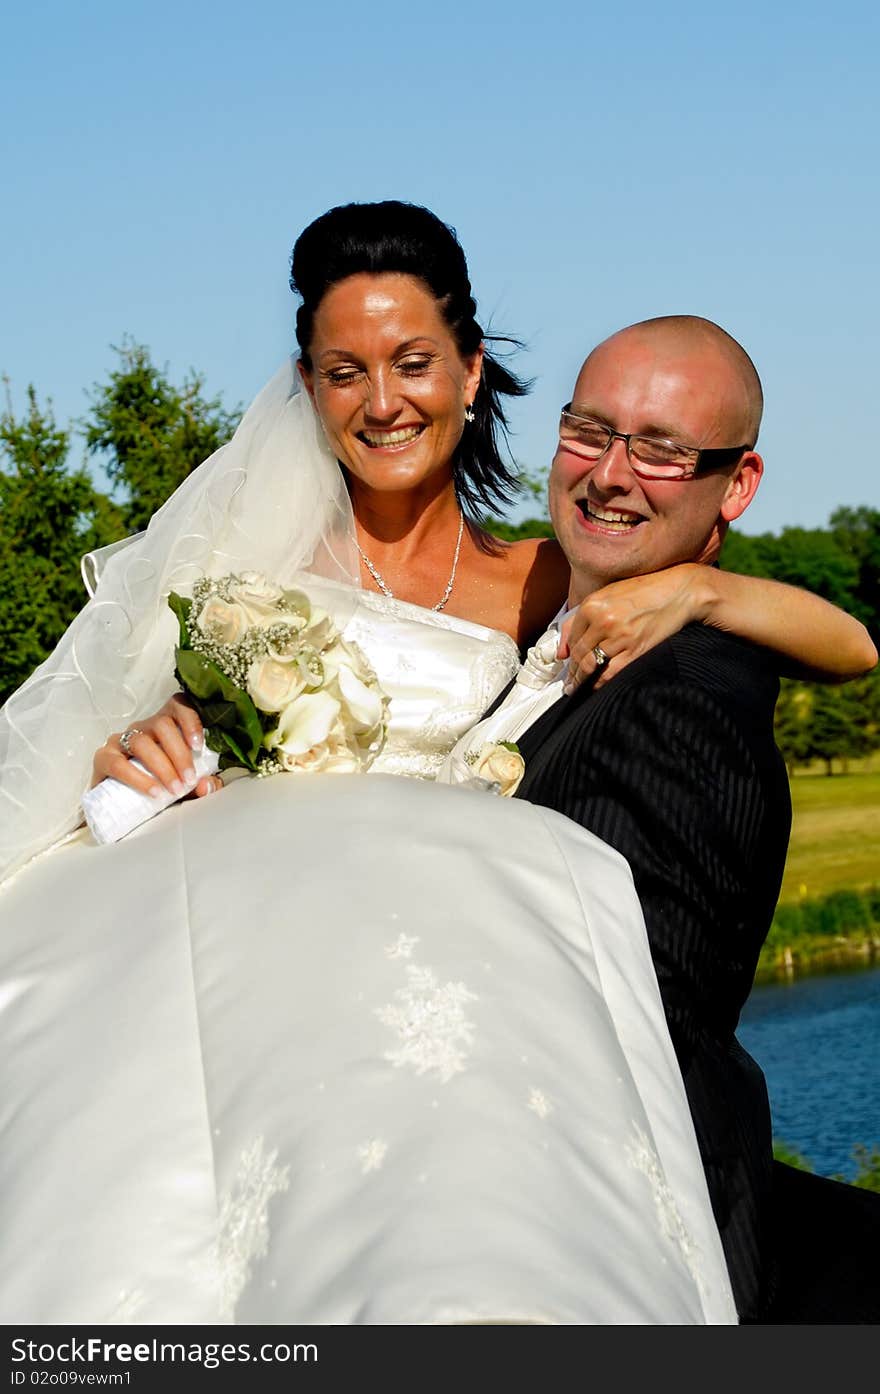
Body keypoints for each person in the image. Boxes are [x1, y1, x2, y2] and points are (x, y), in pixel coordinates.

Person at [0, 205, 874, 1326]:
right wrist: (133, 753)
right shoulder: (239, 573)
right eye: (343, 371)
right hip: (244, 945)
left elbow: (850, 648)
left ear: (470, 371)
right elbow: (132, 755)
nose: (383, 402)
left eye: (413, 363)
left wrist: (707, 588)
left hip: (425, 1002)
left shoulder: (554, 578)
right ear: (308, 388)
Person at [442, 313, 880, 1323]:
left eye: (662, 450)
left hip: (582, 1247)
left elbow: (640, 1038)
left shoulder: (682, 701)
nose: (609, 472)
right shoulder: (538, 628)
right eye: (588, 431)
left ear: (736, 485)